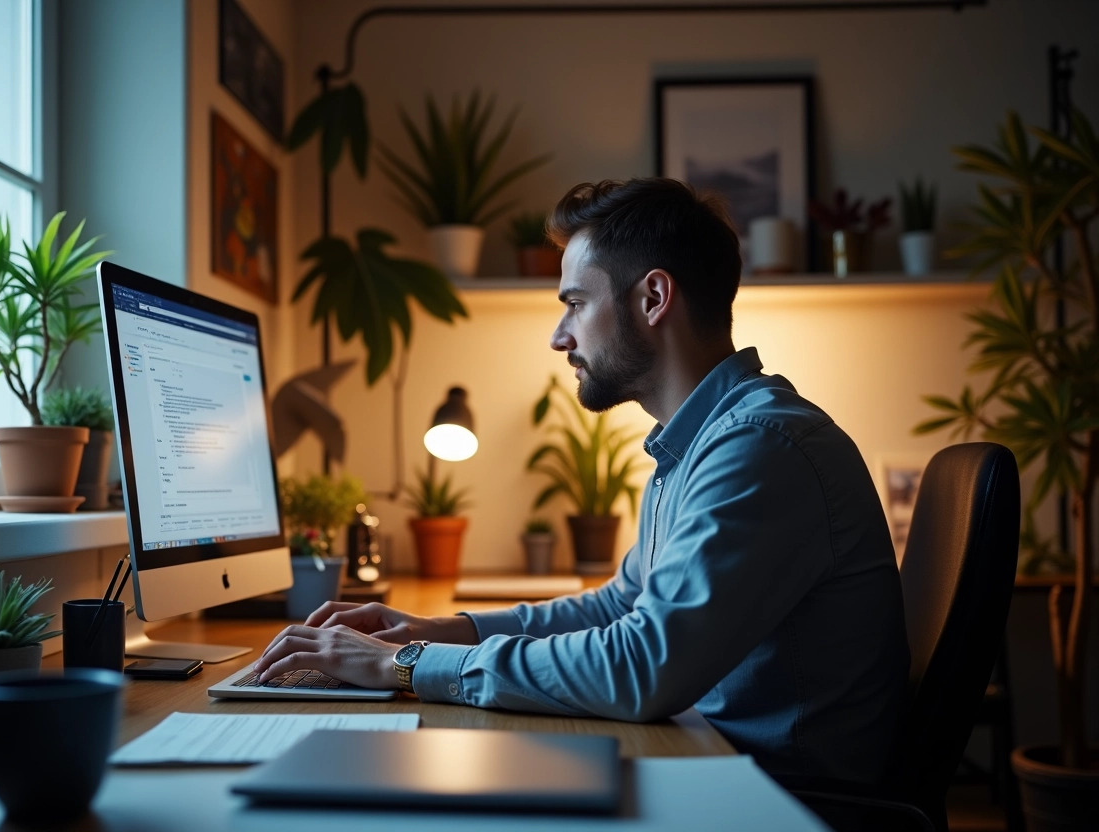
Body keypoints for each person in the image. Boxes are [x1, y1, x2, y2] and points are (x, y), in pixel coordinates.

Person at [255, 178, 909, 784]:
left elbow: (643, 667)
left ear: (653, 298)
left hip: (786, 805)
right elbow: (619, 607)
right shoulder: (703, 445)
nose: (558, 337)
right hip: (720, 767)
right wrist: (432, 632)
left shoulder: (761, 449)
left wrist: (399, 666)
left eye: (574, 303)